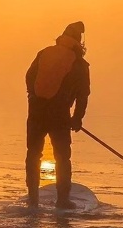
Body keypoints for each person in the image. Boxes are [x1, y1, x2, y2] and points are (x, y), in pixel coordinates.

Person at [25, 21, 90, 209]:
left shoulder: (44, 53)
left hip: (36, 111)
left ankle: (33, 199)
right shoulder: (79, 64)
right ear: (78, 42)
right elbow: (83, 94)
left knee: (33, 154)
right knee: (62, 157)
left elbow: (29, 77)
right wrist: (77, 118)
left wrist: (33, 97)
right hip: (59, 115)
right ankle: (62, 200)